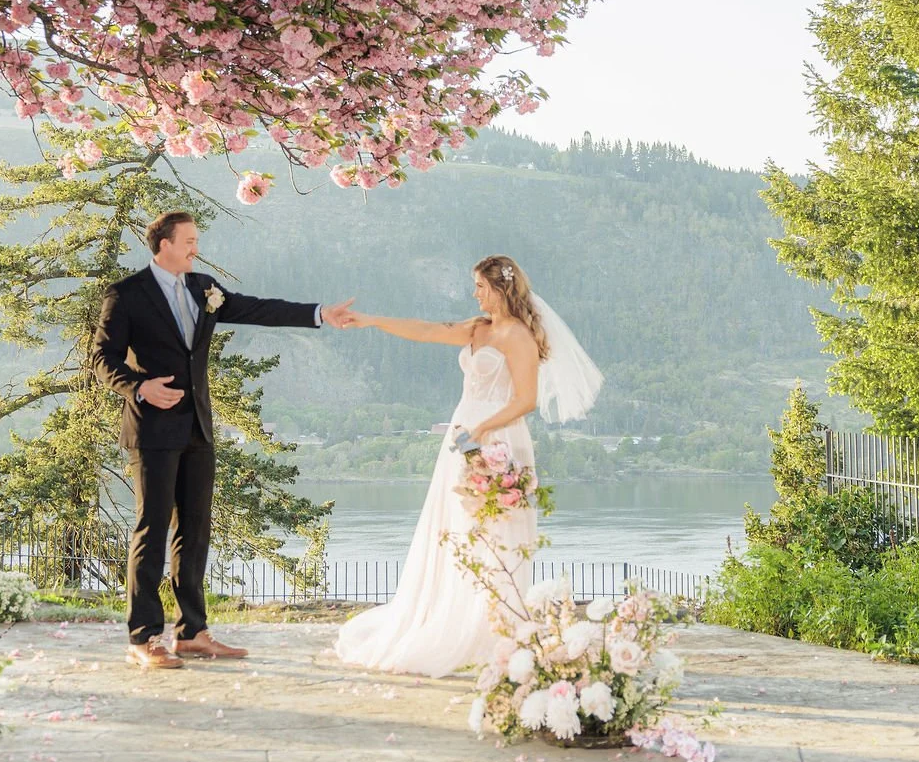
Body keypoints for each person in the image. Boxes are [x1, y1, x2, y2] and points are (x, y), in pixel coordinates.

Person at [89, 210, 357, 670]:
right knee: (151, 531)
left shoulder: (203, 287)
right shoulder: (127, 294)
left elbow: (255, 308)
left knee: (194, 531)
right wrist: (138, 387)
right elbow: (101, 356)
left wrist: (320, 314)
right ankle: (144, 637)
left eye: (196, 240)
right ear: (164, 245)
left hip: (197, 427)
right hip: (152, 428)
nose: (196, 247)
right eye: (189, 241)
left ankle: (193, 632)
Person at [329, 254, 603, 676]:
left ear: (500, 287)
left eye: (480, 286)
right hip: (462, 438)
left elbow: (526, 399)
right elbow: (426, 330)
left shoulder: (519, 336)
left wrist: (481, 430)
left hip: (498, 438)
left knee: (495, 531)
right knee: (455, 528)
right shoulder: (479, 329)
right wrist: (372, 321)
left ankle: (494, 629)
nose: (474, 293)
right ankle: (451, 619)